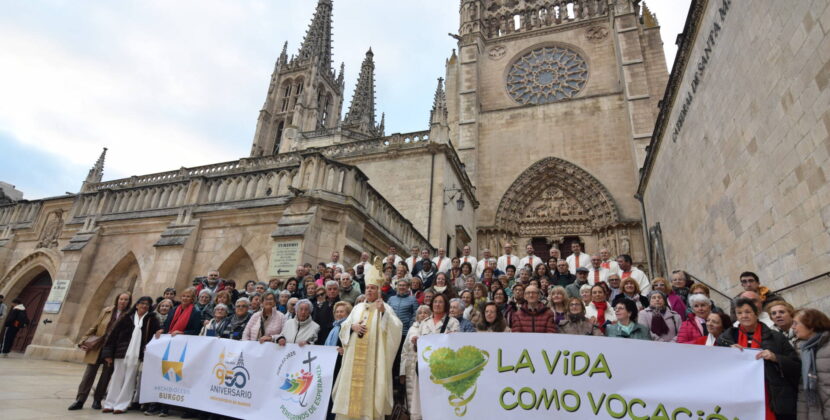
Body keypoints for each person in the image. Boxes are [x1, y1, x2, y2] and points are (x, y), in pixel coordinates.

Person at [332, 257, 403, 420]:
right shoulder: (357, 308)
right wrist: (352, 327)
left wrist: (383, 312)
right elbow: (343, 327)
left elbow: (396, 328)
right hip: (353, 360)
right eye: (368, 288)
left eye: (373, 288)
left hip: (373, 362)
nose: (369, 291)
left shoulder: (385, 308)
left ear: (378, 291)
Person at [719, 297, 800, 419]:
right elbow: (716, 366)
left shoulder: (776, 337)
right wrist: (727, 354)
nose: (744, 316)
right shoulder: (726, 338)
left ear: (756, 314)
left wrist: (775, 357)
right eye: (739, 313)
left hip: (773, 395)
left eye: (747, 312)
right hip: (739, 395)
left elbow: (796, 365)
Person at [68, 292, 131, 411]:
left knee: (106, 375)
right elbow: (95, 326)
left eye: (126, 300)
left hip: (113, 349)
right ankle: (80, 400)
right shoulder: (107, 311)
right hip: (98, 346)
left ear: (129, 302)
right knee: (89, 374)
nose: (123, 301)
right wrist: (83, 340)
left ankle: (97, 400)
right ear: (117, 300)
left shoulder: (128, 315)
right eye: (121, 299)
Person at [100, 296, 159, 414]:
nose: (144, 306)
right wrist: (108, 353)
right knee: (117, 377)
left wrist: (160, 330)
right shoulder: (126, 317)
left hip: (137, 354)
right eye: (142, 303)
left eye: (147, 304)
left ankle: (121, 405)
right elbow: (113, 335)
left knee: (130, 379)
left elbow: (156, 332)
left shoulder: (151, 320)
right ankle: (109, 403)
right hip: (121, 352)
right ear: (136, 305)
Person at [793, 308, 830, 418]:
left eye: (796, 323)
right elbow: (802, 390)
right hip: (814, 412)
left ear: (811, 325)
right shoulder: (801, 350)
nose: (793, 327)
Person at [400, 305, 431, 420]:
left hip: (425, 368)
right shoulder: (412, 329)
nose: (422, 315)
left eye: (425, 312)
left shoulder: (431, 328)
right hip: (411, 368)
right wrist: (402, 372)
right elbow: (404, 351)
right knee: (411, 399)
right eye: (420, 313)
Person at [313, 280, 341, 345]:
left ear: (338, 290)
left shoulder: (342, 304)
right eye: (329, 289)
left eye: (334, 289)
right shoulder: (323, 304)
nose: (332, 291)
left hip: (335, 338)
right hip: (321, 338)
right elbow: (316, 320)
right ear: (326, 291)